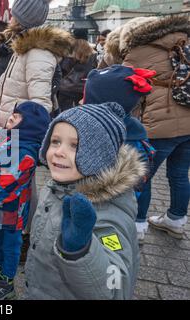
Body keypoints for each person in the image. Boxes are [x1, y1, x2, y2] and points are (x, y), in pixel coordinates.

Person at [25, 103, 145, 299]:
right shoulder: (57, 186)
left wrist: (81, 251)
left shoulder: (108, 214)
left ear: (101, 155)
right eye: (55, 141)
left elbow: (116, 289)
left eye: (75, 145)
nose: (59, 151)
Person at [102, 15, 190, 239]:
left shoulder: (139, 50)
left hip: (158, 124)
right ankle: (176, 220)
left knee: (142, 175)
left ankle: (138, 225)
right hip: (188, 121)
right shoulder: (184, 40)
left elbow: (123, 87)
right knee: (179, 174)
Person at [0, 101, 50, 300]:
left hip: (11, 211)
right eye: (13, 113)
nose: (11, 117)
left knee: (11, 246)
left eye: (18, 117)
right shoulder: (5, 138)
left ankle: (6, 282)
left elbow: (6, 184)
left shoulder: (25, 153)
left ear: (30, 126)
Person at [82, 65, 158, 242]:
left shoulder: (99, 132)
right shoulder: (135, 131)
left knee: (110, 246)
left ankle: (112, 264)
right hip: (115, 212)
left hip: (109, 214)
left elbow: (136, 184)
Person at [0, 0, 74, 128]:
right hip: (9, 127)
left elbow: (40, 104)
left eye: (14, 15)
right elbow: (3, 82)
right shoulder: (22, 47)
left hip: (19, 133)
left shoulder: (38, 53)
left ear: (22, 20)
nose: (10, 19)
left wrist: (24, 135)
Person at [57, 28, 97, 112]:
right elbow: (94, 69)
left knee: (65, 113)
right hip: (84, 88)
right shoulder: (93, 53)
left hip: (66, 88)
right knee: (81, 112)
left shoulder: (69, 52)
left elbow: (63, 69)